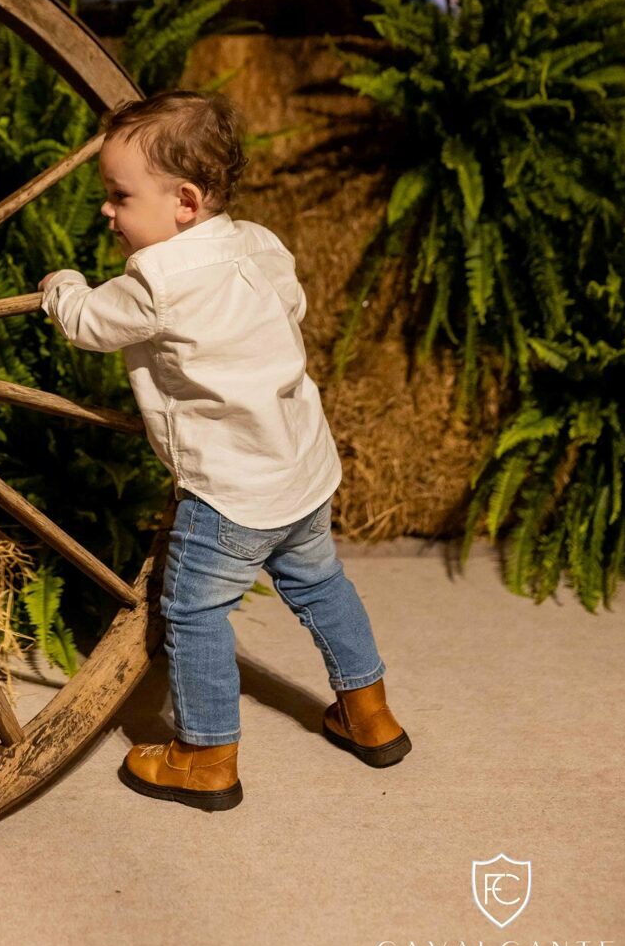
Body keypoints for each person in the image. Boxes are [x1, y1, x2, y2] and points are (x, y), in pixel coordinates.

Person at [37, 89, 411, 812]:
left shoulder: (155, 281)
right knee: (321, 584)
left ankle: (205, 756)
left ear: (184, 201)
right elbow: (292, 307)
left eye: (119, 196)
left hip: (229, 493)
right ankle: (370, 714)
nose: (106, 211)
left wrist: (62, 286)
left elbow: (87, 323)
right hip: (300, 471)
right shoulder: (259, 244)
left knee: (193, 612)